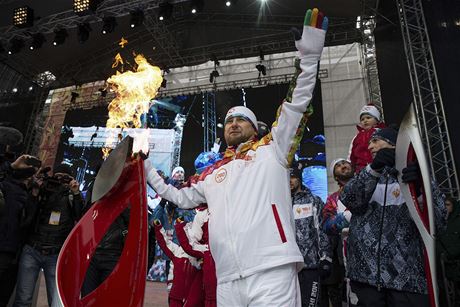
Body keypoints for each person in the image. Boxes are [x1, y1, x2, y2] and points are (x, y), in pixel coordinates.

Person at [144, 8, 328, 306]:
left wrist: (308, 59)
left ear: (254, 129)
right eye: (230, 121)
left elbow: (297, 105)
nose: (233, 124)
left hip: (272, 269)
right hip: (228, 277)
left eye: (241, 120)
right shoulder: (212, 174)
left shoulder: (274, 149)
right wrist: (146, 166)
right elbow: (175, 195)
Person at [339, 127, 447, 307]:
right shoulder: (366, 176)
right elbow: (350, 200)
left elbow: (439, 222)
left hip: (406, 279)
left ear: (394, 144)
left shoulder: (416, 177)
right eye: (369, 143)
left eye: (376, 141)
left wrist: (420, 189)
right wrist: (373, 169)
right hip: (366, 278)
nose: (370, 146)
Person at [13, 163, 83, 307]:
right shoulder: (43, 189)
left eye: (65, 178)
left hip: (55, 253)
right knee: (23, 299)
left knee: (56, 302)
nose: (61, 180)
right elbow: (27, 215)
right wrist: (35, 192)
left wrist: (76, 193)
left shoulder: (72, 195)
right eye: (58, 177)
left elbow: (80, 215)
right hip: (32, 249)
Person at [0, 155, 40, 307]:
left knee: (5, 297)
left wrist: (35, 196)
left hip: (15, 254)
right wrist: (11, 166)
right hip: (3, 249)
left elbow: (27, 222)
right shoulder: (5, 186)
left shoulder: (28, 193)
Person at [290, 169, 332, 307]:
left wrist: (325, 258)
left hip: (310, 264)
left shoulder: (313, 200)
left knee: (311, 304)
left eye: (293, 177)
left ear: (299, 178)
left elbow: (321, 230)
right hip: (288, 265)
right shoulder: (281, 202)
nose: (289, 181)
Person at [321, 158, 354, 307]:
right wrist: (346, 218)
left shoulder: (369, 186)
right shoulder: (333, 199)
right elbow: (327, 225)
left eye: (345, 163)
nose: (343, 166)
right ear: (335, 176)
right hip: (350, 251)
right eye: (338, 166)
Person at [348, 104, 386, 173]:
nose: (365, 121)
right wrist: (352, 167)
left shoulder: (382, 131)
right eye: (362, 119)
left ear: (377, 120)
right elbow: (351, 154)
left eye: (368, 118)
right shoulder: (357, 137)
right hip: (361, 169)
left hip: (380, 167)